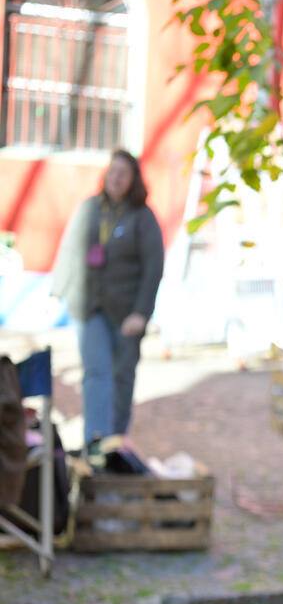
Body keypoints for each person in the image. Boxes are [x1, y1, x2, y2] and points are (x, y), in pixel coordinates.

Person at [50, 150, 164, 455]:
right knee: (96, 373)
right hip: (89, 306)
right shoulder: (89, 208)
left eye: (122, 173)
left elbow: (154, 266)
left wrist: (141, 312)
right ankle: (96, 444)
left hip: (127, 311)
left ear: (133, 179)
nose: (115, 178)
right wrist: (57, 291)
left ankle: (116, 443)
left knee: (122, 376)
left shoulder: (142, 216)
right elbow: (70, 248)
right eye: (112, 171)